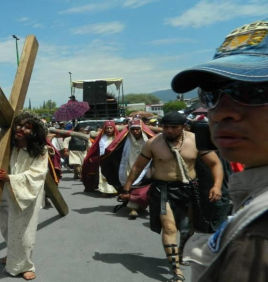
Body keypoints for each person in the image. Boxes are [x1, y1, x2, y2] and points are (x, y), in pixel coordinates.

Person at [161, 18, 268, 282]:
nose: (221, 112)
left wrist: (217, 184)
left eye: (252, 90)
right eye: (211, 94)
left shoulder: (257, 233)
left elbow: (212, 164)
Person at [120, 112, 223, 282]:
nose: (169, 130)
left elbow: (215, 164)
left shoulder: (196, 141)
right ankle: (175, 270)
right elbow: (137, 167)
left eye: (174, 127)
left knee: (187, 229)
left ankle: (182, 253)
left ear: (184, 127)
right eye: (165, 127)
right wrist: (126, 188)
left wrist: (217, 185)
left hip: (189, 189)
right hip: (163, 189)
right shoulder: (153, 143)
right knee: (169, 228)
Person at [0, 111, 49, 281]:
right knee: (6, 228)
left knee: (24, 234)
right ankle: (13, 257)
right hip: (3, 192)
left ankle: (25, 266)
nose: (21, 129)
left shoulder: (40, 150)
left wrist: (10, 178)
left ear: (34, 131)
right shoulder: (4, 144)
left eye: (27, 127)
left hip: (26, 194)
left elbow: (37, 174)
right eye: (19, 125)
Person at [100, 119, 156, 219]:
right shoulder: (124, 141)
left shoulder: (149, 140)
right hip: (128, 166)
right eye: (133, 129)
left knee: (143, 186)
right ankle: (133, 208)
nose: (135, 131)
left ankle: (137, 204)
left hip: (146, 168)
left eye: (137, 129)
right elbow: (113, 151)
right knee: (130, 185)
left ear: (142, 129)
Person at [82, 121, 119, 194]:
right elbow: (94, 149)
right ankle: (104, 190)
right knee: (103, 175)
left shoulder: (117, 138)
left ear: (114, 129)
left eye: (111, 128)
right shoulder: (101, 138)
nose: (109, 130)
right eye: (107, 128)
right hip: (103, 160)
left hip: (115, 161)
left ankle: (115, 189)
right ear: (104, 129)